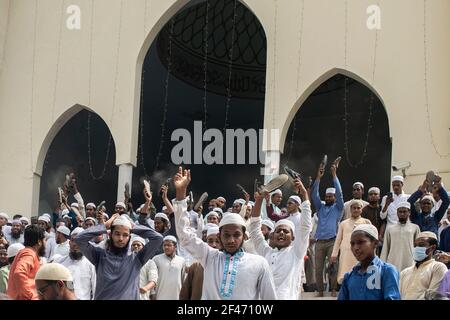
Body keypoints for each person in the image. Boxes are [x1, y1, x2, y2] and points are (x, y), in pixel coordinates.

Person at [172, 166, 277, 299]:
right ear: (219, 236)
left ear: (244, 236)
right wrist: (181, 194)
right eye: (226, 235)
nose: (231, 240)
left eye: (236, 235)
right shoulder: (210, 257)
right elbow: (184, 235)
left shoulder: (259, 263)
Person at [74, 212, 163, 300]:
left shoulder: (136, 259)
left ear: (129, 237)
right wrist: (105, 226)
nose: (121, 239)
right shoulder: (99, 256)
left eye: (125, 235)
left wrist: (133, 227)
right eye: (117, 234)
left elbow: (158, 238)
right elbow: (79, 239)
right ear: (110, 235)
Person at [249, 177, 312, 300]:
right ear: (272, 235)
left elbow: (305, 226)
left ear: (293, 237)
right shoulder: (266, 252)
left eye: (285, 231)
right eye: (278, 231)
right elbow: (255, 228)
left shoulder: (296, 252)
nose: (281, 233)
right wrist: (260, 199)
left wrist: (304, 193)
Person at [338, 224, 401, 300]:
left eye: (360, 242)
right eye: (352, 244)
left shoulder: (387, 271)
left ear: (375, 243)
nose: (355, 248)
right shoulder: (349, 277)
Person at [311, 160, 344, 297]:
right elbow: (314, 195)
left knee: (333, 267)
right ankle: (320, 291)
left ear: (335, 198)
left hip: (332, 241)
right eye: (327, 196)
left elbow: (341, 193)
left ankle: (333, 290)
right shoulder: (320, 207)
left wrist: (334, 175)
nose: (328, 198)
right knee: (318, 269)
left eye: (331, 196)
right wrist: (318, 177)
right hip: (319, 242)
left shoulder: (338, 208)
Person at [331, 199, 372, 285]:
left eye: (358, 208)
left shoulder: (366, 222)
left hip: (361, 253)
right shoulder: (343, 223)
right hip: (346, 253)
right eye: (354, 208)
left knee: (361, 273)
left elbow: (371, 239)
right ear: (350, 209)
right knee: (345, 275)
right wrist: (334, 254)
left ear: (361, 209)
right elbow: (338, 240)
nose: (356, 210)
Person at [400, 231, 448, 299]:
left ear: (432, 248)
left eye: (421, 245)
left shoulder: (438, 267)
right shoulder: (405, 272)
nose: (416, 248)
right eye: (415, 246)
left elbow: (432, 295)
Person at [53, 227, 96, 300]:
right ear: (69, 243)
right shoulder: (60, 262)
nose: (75, 244)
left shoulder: (91, 265)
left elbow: (96, 291)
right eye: (73, 240)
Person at [179, 226, 221, 300]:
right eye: (210, 241)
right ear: (206, 243)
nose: (214, 245)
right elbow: (185, 293)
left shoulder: (228, 266)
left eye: (217, 241)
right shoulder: (195, 267)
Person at [7, 225, 46, 300]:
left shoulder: (27, 252)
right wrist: (30, 296)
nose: (45, 242)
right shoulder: (29, 253)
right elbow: (19, 273)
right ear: (39, 241)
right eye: (44, 240)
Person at [380, 202, 420, 272]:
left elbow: (418, 247)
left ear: (409, 212)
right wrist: (382, 264)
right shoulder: (390, 228)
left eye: (404, 212)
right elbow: (386, 247)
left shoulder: (415, 228)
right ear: (397, 213)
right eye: (400, 212)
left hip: (409, 262)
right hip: (393, 262)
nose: (402, 214)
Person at [152, 235, 186, 300]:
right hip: (159, 296)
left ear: (175, 247)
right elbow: (152, 278)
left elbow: (183, 279)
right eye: (164, 245)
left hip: (177, 296)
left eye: (169, 245)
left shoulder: (182, 260)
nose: (166, 247)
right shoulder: (156, 259)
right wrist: (152, 293)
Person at [130, 236, 158, 300]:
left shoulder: (150, 262)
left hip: (142, 297)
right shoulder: (125, 261)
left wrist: (146, 288)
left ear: (143, 248)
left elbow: (153, 280)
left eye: (138, 245)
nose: (136, 246)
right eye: (133, 245)